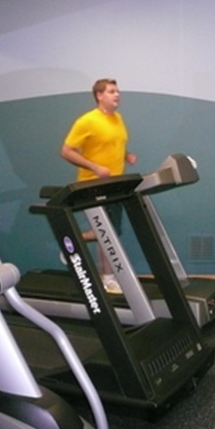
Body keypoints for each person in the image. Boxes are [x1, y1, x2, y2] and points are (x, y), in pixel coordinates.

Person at [61, 78, 137, 294]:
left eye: (117, 91)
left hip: (114, 184)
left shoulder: (118, 118)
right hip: (92, 184)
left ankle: (73, 240)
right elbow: (66, 151)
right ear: (99, 95)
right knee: (107, 232)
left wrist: (126, 155)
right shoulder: (87, 121)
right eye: (112, 91)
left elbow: (113, 144)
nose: (117, 94)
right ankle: (108, 279)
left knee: (110, 232)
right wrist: (94, 167)